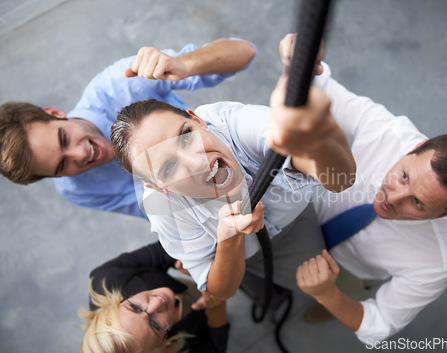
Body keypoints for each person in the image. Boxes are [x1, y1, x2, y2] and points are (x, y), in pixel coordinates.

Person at [276, 34, 447, 343]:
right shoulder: (391, 132)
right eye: (404, 176)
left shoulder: (440, 259)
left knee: (331, 296)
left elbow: (381, 323)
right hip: (306, 217)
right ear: (414, 147)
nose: (391, 198)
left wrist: (328, 295)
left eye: (418, 204)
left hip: (352, 274)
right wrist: (302, 59)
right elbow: (322, 89)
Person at [109, 63, 356, 301]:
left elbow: (339, 180)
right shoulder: (165, 210)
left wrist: (319, 132)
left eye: (186, 135)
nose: (196, 164)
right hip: (246, 256)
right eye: (169, 167)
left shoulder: (239, 125)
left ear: (198, 120)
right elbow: (220, 291)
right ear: (158, 188)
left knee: (323, 275)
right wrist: (229, 236)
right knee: (262, 280)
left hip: (296, 221)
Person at [0, 38, 257, 218]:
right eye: (62, 166)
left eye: (64, 139)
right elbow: (163, 212)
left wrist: (186, 64)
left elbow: (244, 51)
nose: (80, 155)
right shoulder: (76, 190)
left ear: (55, 114)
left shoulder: (122, 83)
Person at [79, 241, 232, 353]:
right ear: (162, 346)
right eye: (156, 325)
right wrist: (216, 305)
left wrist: (193, 264)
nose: (157, 303)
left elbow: (163, 250)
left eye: (135, 307)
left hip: (186, 285)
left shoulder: (106, 279)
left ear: (115, 304)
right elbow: (215, 348)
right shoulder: (183, 349)